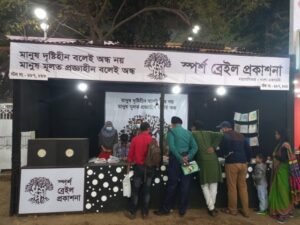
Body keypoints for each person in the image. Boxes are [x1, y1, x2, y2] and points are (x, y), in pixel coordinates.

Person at [154, 116, 198, 217]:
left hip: (175, 160)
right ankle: (182, 210)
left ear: (173, 123)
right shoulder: (189, 132)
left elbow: (172, 148)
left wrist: (180, 158)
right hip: (188, 160)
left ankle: (166, 209)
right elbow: (195, 147)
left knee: (172, 185)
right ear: (181, 123)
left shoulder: (171, 132)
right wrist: (188, 156)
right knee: (186, 186)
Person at [217, 121, 251, 218]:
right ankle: (246, 211)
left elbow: (223, 150)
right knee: (243, 187)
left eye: (222, 128)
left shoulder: (225, 136)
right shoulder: (241, 135)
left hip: (232, 163)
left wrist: (219, 153)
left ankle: (233, 210)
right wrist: (247, 160)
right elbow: (248, 149)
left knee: (232, 187)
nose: (221, 130)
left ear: (225, 128)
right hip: (243, 163)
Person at [191, 120, 223, 217]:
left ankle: (211, 208)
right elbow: (221, 135)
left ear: (195, 127)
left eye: (192, 127)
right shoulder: (209, 132)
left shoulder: (193, 133)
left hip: (202, 161)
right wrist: (214, 147)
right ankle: (212, 207)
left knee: (204, 185)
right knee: (213, 185)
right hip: (213, 160)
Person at [269, 129, 300, 223]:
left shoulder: (284, 145)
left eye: (276, 134)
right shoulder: (283, 144)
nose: (275, 136)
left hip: (283, 171)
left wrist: (274, 155)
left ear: (280, 134)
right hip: (283, 171)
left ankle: (283, 214)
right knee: (284, 191)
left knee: (282, 191)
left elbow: (283, 158)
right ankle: (288, 210)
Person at [124, 122, 153, 220]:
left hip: (139, 168)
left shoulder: (135, 139)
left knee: (135, 191)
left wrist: (128, 166)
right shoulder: (152, 140)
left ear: (140, 130)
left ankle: (132, 212)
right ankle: (145, 213)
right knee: (147, 191)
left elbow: (130, 156)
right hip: (149, 169)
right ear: (148, 129)